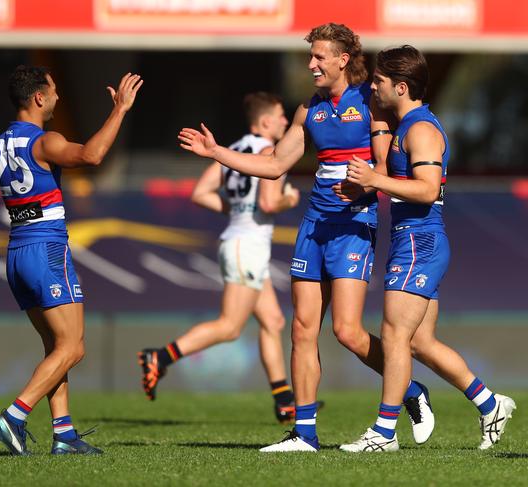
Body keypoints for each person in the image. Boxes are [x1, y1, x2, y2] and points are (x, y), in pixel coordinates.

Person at [179, 23, 435, 452]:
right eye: (310, 56)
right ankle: (304, 433)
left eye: (319, 57)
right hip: (314, 227)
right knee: (300, 329)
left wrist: (366, 187)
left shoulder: (372, 103)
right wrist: (218, 153)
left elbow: (387, 168)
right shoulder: (309, 109)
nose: (311, 64)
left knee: (348, 333)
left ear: (342, 60)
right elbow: (276, 164)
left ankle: (410, 390)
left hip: (354, 228)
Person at [0, 65, 143, 456]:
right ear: (38, 98)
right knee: (74, 347)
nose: (57, 98)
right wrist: (119, 109)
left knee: (56, 346)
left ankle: (64, 434)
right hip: (47, 250)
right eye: (53, 92)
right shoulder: (44, 141)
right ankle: (13, 416)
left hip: (16, 254)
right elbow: (93, 154)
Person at [339, 45, 516, 453]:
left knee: (394, 335)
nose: (374, 87)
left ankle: (384, 434)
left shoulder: (421, 130)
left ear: (401, 87)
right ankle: (491, 405)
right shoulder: (404, 124)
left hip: (421, 241)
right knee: (420, 343)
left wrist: (375, 180)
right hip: (412, 240)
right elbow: (389, 163)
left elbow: (427, 189)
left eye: (380, 82)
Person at [138, 92, 305, 423]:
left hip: (240, 241)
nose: (286, 121)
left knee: (273, 320)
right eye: (281, 115)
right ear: (267, 121)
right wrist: (290, 198)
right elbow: (271, 203)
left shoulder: (233, 150)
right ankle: (160, 357)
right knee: (229, 327)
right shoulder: (271, 153)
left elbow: (200, 193)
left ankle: (284, 402)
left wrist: (240, 210)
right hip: (248, 246)